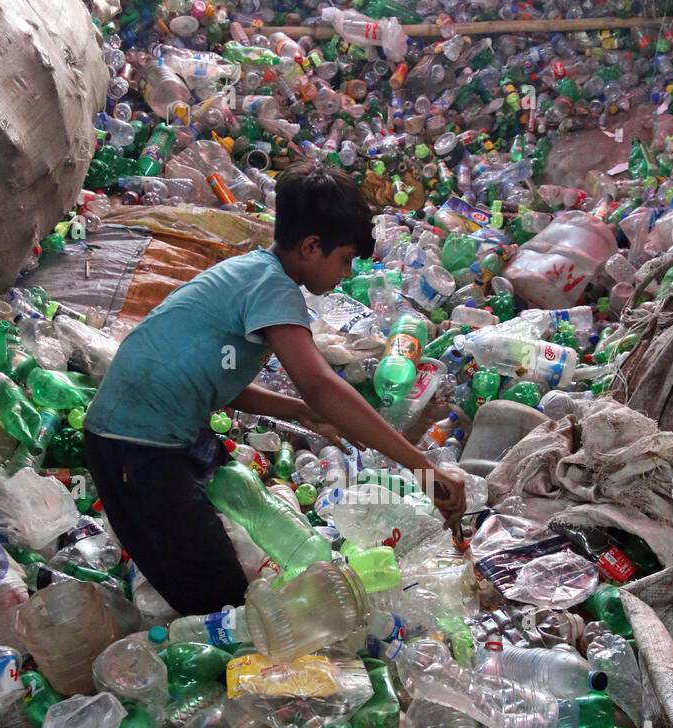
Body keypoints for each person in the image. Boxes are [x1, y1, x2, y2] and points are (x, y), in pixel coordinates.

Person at [83, 163, 467, 615]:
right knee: (216, 599)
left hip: (165, 432)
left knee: (244, 534)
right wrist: (423, 467)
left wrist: (303, 414)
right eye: (344, 259)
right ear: (310, 247)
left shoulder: (255, 273)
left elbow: (220, 383)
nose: (346, 274)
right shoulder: (273, 287)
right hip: (135, 447)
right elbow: (319, 384)